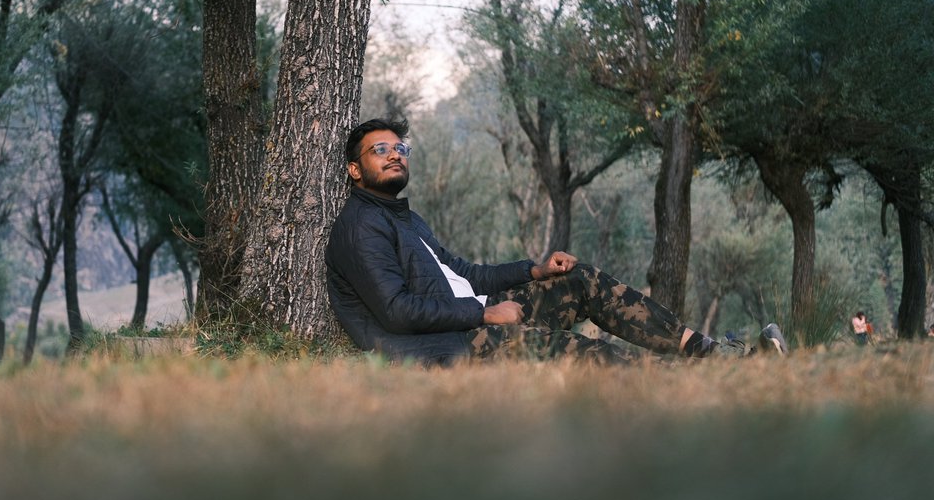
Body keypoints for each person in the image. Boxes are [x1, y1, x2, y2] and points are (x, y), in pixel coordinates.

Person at [325, 117, 789, 367]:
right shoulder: (361, 226)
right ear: (354, 169)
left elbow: (465, 275)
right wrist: (486, 313)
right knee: (584, 354)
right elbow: (397, 312)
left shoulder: (407, 220)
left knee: (579, 279)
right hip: (448, 345)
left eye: (400, 149)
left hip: (475, 317)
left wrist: (535, 271)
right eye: (379, 150)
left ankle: (707, 352)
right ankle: (708, 378)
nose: (394, 156)